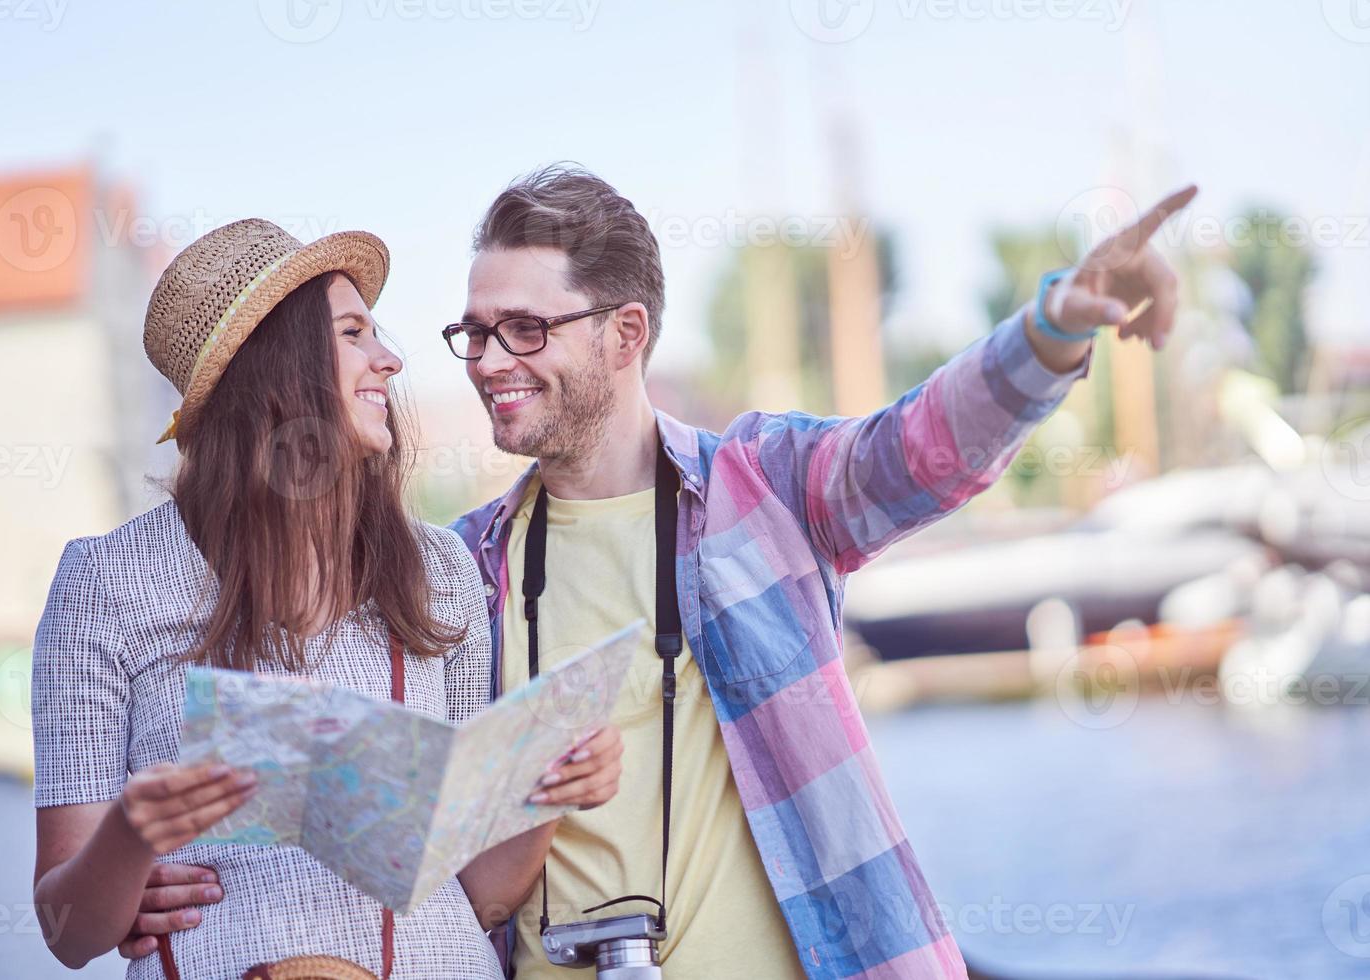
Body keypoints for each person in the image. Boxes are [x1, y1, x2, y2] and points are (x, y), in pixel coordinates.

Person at [123, 169, 1195, 978]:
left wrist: (1052, 330)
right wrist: (159, 884)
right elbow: (390, 821)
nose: (489, 358)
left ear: (625, 332)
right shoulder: (457, 569)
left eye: (525, 327)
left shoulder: (764, 487)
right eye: (474, 332)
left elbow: (924, 445)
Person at [30, 219, 623, 980]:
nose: (391, 359)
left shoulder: (440, 568)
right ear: (278, 364)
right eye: (353, 333)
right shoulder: (106, 581)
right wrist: (131, 836)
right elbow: (67, 932)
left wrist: (545, 793)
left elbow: (481, 897)